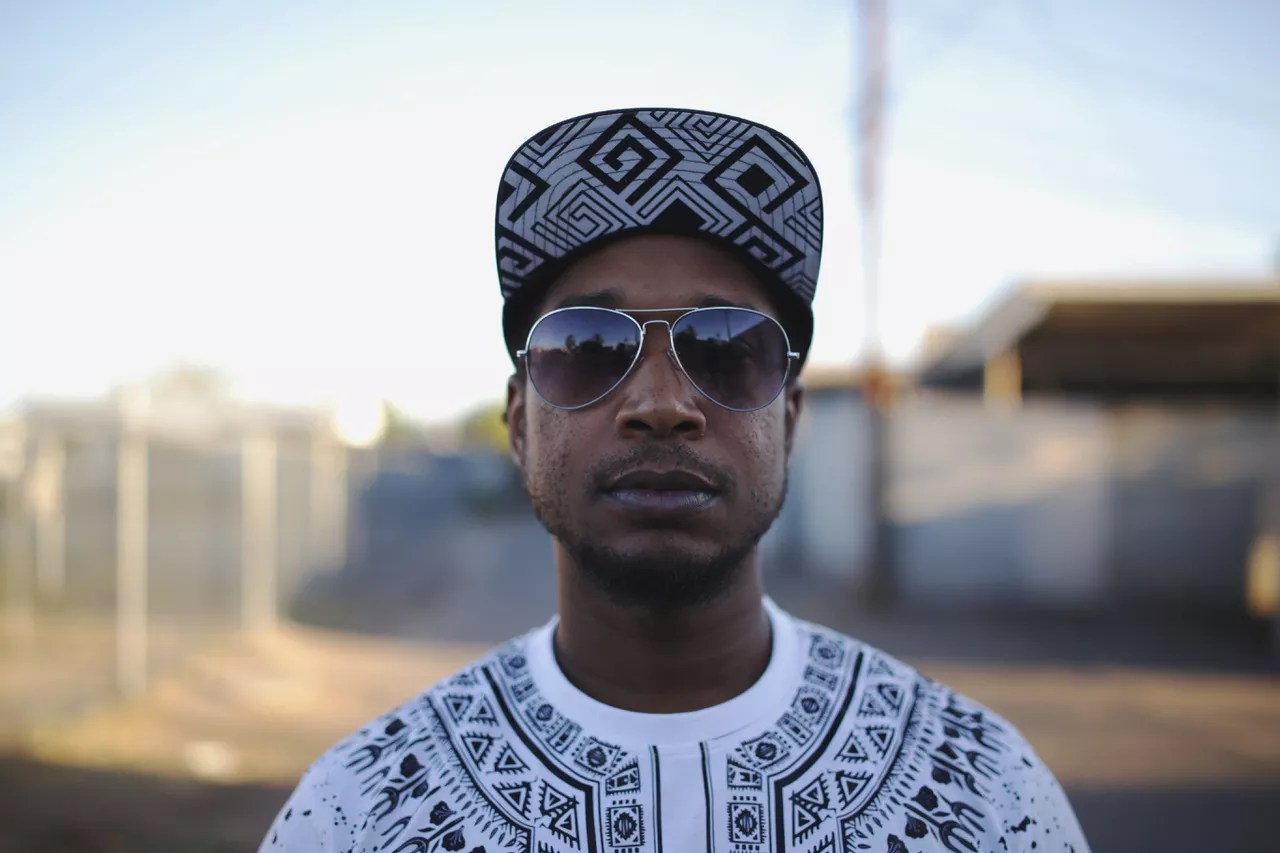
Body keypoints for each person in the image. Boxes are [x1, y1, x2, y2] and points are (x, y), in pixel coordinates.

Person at [260, 108, 1089, 853]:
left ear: (789, 420)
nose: (661, 404)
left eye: (725, 346)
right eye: (588, 346)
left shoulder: (982, 792)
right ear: (518, 423)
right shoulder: (360, 811)